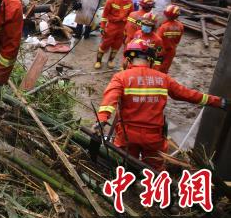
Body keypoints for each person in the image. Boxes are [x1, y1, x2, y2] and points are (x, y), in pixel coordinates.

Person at [94, 39, 227, 170]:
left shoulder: (121, 77)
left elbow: (109, 100)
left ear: (129, 59)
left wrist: (102, 120)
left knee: (125, 166)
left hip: (127, 135)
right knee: (154, 170)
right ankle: (153, 188)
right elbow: (189, 94)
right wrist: (219, 102)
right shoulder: (163, 78)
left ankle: (127, 188)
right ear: (151, 59)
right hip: (153, 137)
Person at [95, 0, 134, 69]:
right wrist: (102, 27)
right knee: (105, 44)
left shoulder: (130, 2)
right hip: (111, 26)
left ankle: (110, 61)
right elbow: (104, 15)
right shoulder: (111, 0)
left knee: (117, 45)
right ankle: (98, 61)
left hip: (122, 27)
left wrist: (128, 30)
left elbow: (130, 17)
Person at [156, 5, 184, 73]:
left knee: (157, 66)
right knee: (165, 67)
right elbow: (177, 40)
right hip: (171, 51)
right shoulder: (180, 26)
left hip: (161, 51)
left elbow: (157, 40)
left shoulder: (164, 27)